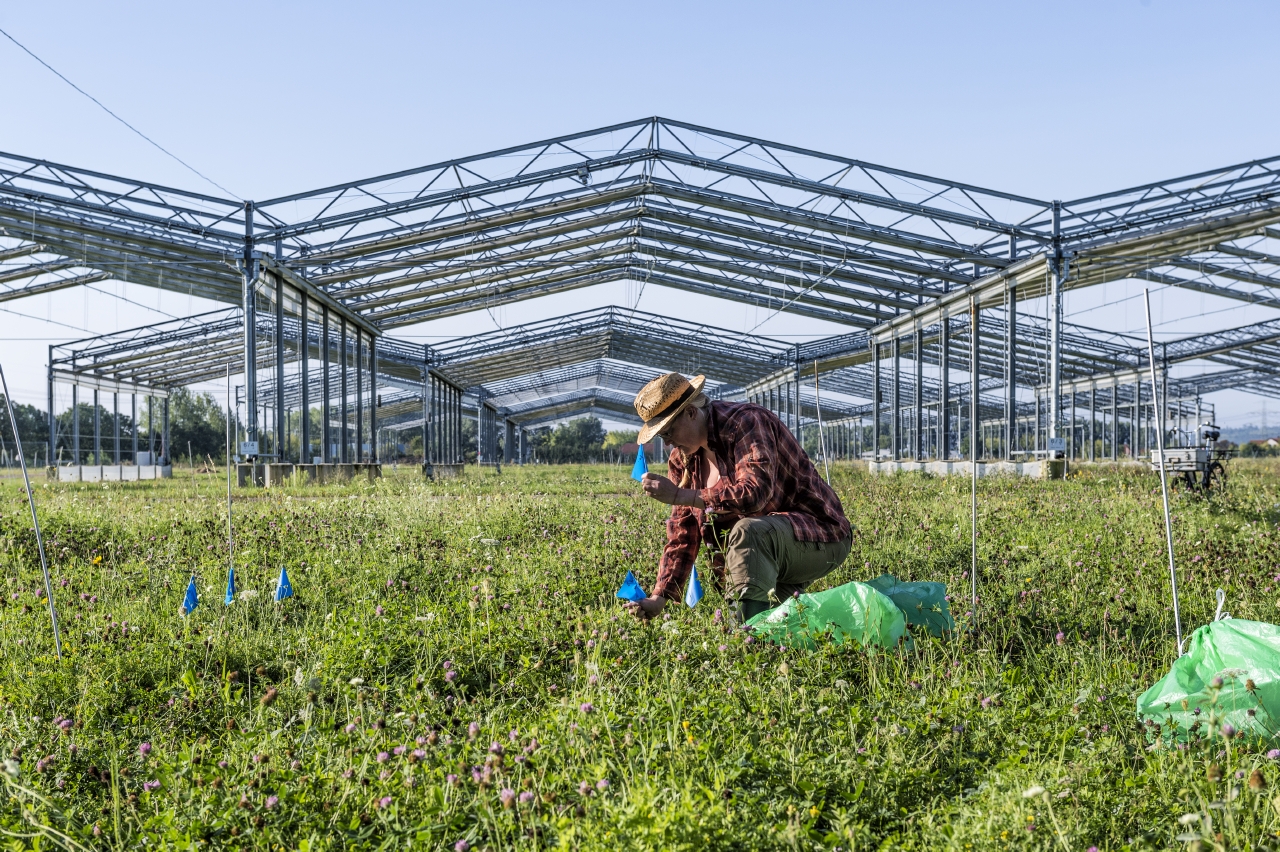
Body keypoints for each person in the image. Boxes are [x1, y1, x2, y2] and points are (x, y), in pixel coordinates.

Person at [624, 372, 852, 624]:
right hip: (767, 552)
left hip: (819, 535)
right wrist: (659, 597)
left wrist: (679, 494)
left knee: (748, 535)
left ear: (691, 413)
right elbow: (683, 534)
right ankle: (756, 639)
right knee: (784, 626)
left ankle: (742, 643)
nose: (668, 444)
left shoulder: (746, 423)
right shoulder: (683, 460)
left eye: (668, 432)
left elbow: (754, 493)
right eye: (662, 437)